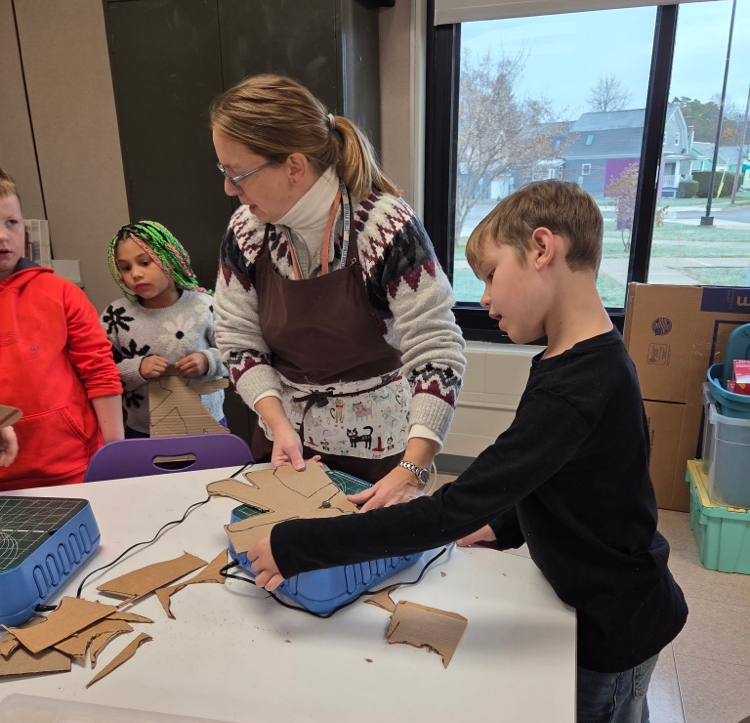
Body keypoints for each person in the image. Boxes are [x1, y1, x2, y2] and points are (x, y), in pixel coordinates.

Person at [248, 180, 688, 723]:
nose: (483, 298)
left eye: (489, 275)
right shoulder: (585, 356)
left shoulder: (577, 383)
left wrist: (300, 544)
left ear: (542, 248)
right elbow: (573, 477)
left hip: (611, 631)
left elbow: (447, 508)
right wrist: (505, 524)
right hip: (635, 608)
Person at [210, 73, 465, 510]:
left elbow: (437, 351)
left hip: (380, 453)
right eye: (225, 172)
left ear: (294, 166)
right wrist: (277, 423)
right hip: (286, 445)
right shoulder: (246, 230)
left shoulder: (385, 228)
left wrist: (414, 467)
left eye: (239, 174)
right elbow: (237, 341)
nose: (229, 189)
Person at [0, 167, 123, 490]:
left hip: (75, 468)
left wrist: (115, 455)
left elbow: (99, 372)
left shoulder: (60, 291)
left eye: (11, 222)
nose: (3, 235)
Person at [101, 220, 228, 438]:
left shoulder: (204, 305)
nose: (136, 274)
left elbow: (236, 356)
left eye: (145, 262)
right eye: (126, 268)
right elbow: (101, 374)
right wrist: (137, 369)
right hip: (143, 432)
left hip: (207, 427)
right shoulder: (115, 316)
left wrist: (208, 361)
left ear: (170, 259)